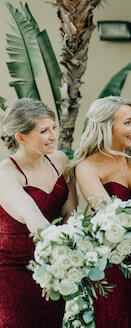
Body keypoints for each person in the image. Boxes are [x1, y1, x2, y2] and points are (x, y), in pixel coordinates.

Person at [74, 96, 131, 328]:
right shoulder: (87, 167)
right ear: (106, 126)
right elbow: (110, 217)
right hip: (114, 264)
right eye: (128, 122)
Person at [0, 98, 77, 328]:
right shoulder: (6, 174)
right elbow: (32, 216)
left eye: (54, 127)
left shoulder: (60, 160)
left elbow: (70, 211)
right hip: (14, 273)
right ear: (20, 137)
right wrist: (54, 263)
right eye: (44, 131)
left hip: (56, 269)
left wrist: (61, 268)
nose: (54, 136)